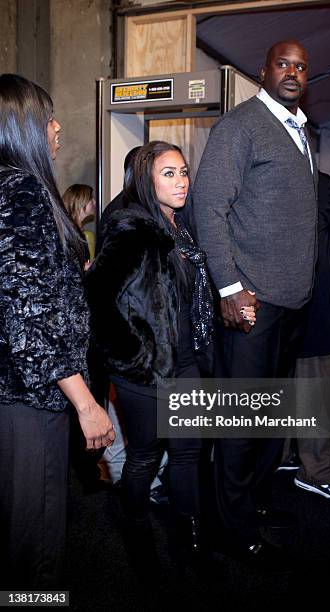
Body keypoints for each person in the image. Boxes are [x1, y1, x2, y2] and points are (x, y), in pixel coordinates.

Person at [85, 141, 239, 568]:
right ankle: (139, 539)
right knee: (145, 457)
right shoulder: (132, 226)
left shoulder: (179, 225)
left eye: (184, 172)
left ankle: (190, 544)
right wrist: (133, 355)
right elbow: (96, 298)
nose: (182, 181)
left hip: (186, 362)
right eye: (169, 173)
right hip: (145, 372)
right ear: (146, 181)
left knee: (189, 453)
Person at [193, 39, 317, 565]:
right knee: (241, 424)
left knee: (272, 421)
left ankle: (255, 506)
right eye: (283, 64)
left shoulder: (299, 129)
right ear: (263, 71)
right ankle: (231, 527)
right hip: (252, 304)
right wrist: (228, 285)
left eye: (301, 67)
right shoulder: (241, 126)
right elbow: (207, 204)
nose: (292, 72)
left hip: (291, 305)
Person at [0, 73, 115, 590]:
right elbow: (32, 315)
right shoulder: (22, 191)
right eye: (47, 118)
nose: (57, 128)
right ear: (22, 128)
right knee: (36, 547)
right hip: (30, 397)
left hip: (12, 394)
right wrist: (86, 403)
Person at [287, 172, 330, 503]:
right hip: (312, 314)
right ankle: (317, 472)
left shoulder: (261, 181)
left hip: (280, 313)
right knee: (316, 393)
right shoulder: (320, 184)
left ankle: (289, 457)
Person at [62, 183, 96, 262]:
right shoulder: (67, 232)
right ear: (81, 201)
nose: (94, 202)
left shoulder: (77, 230)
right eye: (91, 198)